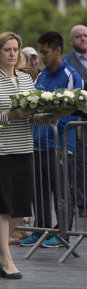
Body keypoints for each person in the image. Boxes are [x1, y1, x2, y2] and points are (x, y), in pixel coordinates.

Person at [0, 32, 72, 279]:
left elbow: (34, 117)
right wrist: (10, 114)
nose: (12, 54)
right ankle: (7, 261)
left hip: (23, 149)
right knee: (1, 206)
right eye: (7, 50)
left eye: (15, 50)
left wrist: (57, 115)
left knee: (20, 209)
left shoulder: (27, 80)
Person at [18, 31, 83, 248]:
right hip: (37, 145)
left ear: (58, 50)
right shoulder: (42, 77)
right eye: (40, 52)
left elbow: (75, 109)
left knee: (61, 192)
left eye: (45, 52)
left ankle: (62, 232)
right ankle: (41, 231)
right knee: (40, 192)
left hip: (60, 146)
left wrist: (52, 124)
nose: (42, 57)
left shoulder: (71, 75)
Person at [63, 25, 87, 218]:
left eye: (86, 36)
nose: (83, 39)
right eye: (78, 36)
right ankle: (81, 203)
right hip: (78, 121)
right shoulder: (66, 62)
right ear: (72, 40)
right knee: (79, 163)